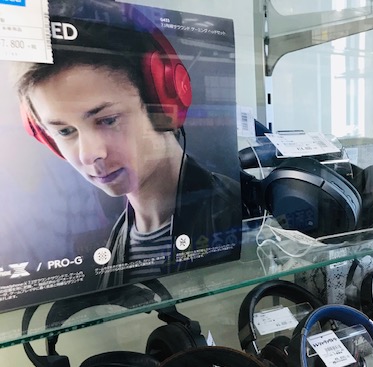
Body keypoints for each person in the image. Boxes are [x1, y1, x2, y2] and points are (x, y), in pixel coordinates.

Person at [15, 18, 240, 289]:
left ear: (163, 104)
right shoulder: (117, 243)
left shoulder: (237, 214)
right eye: (64, 132)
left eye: (108, 120)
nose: (89, 155)